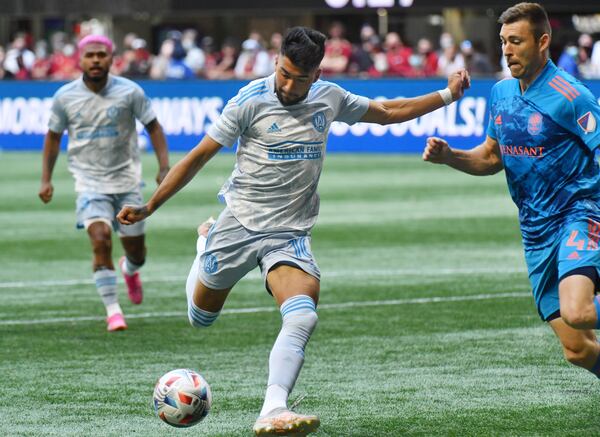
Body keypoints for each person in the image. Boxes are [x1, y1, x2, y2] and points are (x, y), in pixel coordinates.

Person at [117, 26, 469, 435]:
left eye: (299, 78)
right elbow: (197, 157)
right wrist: (149, 206)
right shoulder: (250, 100)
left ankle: (274, 407)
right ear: (277, 62)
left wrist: (447, 96)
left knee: (302, 315)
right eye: (284, 72)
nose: (288, 84)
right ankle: (204, 245)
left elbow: (389, 111)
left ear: (316, 75)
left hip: (290, 232)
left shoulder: (329, 97)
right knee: (201, 319)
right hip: (240, 224)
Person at [423, 2, 600, 379]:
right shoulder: (501, 94)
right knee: (578, 349)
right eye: (503, 41)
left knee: (579, 311)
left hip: (578, 216)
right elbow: (490, 158)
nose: (506, 50)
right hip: (535, 233)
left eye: (516, 41)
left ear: (542, 42)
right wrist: (450, 157)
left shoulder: (572, 97)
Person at [38, 35, 170, 332]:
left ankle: (130, 269)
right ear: (80, 59)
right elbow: (53, 137)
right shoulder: (65, 97)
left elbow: (154, 127)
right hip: (89, 182)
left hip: (127, 182)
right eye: (90, 55)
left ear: (112, 59)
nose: (95, 60)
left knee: (137, 252)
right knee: (100, 240)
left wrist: (164, 166)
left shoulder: (130, 91)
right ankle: (113, 310)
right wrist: (46, 179)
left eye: (101, 55)